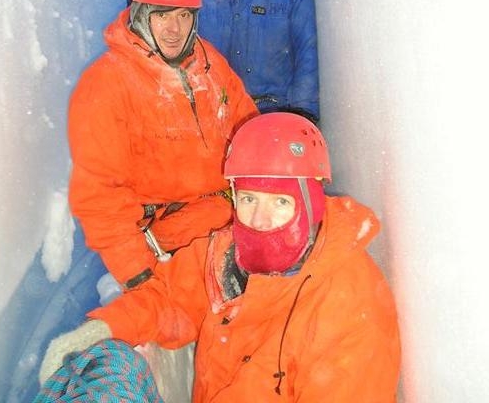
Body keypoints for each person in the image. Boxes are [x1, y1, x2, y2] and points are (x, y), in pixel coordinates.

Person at [40, 113, 401, 401]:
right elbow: (167, 300)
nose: (260, 221)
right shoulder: (226, 256)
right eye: (248, 200)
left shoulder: (351, 309)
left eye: (280, 202)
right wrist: (104, 328)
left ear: (312, 202)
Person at [68, 0, 258, 291]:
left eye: (184, 15)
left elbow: (249, 132)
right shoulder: (107, 84)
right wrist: (138, 274)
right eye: (162, 15)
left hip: (224, 220)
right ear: (142, 15)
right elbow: (100, 196)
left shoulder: (209, 65)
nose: (174, 29)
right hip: (163, 241)